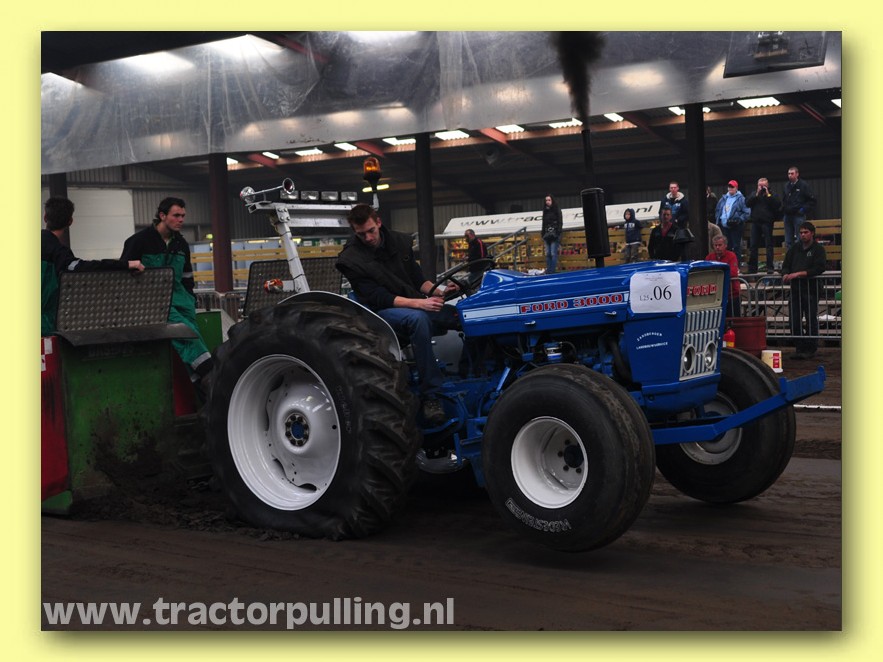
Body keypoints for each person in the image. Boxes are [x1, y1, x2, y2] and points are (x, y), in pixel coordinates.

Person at [336, 203, 459, 424]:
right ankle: (432, 395)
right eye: (361, 234)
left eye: (371, 231)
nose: (368, 238)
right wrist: (420, 304)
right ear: (355, 232)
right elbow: (379, 297)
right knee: (418, 320)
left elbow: (418, 280)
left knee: (460, 314)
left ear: (378, 223)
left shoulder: (399, 243)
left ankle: (475, 369)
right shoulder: (351, 260)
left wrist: (441, 291)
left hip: (411, 303)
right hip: (380, 313)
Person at [120, 197, 212, 391]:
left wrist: (190, 299)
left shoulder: (181, 244)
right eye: (176, 215)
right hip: (152, 302)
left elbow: (187, 277)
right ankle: (210, 373)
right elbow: (122, 274)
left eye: (183, 216)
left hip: (182, 301)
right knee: (186, 334)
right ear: (162, 216)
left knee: (191, 338)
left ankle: (199, 387)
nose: (181, 220)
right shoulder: (139, 241)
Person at [41, 196, 144, 336]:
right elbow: (86, 268)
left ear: (45, 217)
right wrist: (126, 264)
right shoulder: (60, 253)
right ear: (70, 222)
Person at [781, 221, 827, 359]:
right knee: (794, 319)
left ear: (812, 233)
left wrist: (799, 274)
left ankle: (810, 347)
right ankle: (799, 347)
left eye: (806, 232)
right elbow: (786, 264)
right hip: (796, 289)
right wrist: (785, 273)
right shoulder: (794, 248)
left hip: (811, 289)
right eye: (801, 232)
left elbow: (819, 268)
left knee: (811, 318)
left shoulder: (818, 249)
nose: (803, 235)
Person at [745, 177, 782, 274]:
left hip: (767, 222)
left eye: (763, 186)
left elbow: (777, 205)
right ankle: (752, 268)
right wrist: (757, 194)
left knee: (769, 245)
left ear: (767, 185)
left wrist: (768, 195)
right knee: (753, 245)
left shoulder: (772, 194)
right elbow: (747, 203)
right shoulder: (754, 194)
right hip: (755, 222)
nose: (761, 188)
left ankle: (770, 267)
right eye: (760, 186)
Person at [715, 180, 750, 265]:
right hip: (724, 226)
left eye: (732, 187)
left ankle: (736, 266)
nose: (730, 188)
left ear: (736, 188)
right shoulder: (723, 198)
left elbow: (747, 212)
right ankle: (727, 265)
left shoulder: (741, 199)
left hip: (736, 227)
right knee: (726, 247)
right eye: (729, 186)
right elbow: (717, 210)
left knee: (736, 246)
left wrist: (739, 220)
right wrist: (718, 219)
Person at [705, 235, 741, 317]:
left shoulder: (731, 255)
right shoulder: (709, 257)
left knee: (734, 318)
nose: (717, 247)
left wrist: (715, 274)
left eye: (720, 245)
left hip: (732, 294)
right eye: (715, 245)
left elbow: (733, 273)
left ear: (725, 245)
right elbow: (706, 273)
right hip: (715, 296)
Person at [782, 166, 817, 249]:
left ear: (797, 174)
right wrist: (784, 209)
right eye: (789, 174)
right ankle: (790, 256)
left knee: (800, 237)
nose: (790, 175)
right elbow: (784, 199)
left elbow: (812, 200)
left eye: (792, 173)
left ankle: (800, 255)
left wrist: (803, 210)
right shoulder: (786, 186)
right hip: (788, 215)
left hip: (798, 215)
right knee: (788, 240)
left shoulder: (803, 185)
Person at [541, 194, 563, 273]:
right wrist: (542, 233)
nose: (547, 202)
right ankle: (549, 270)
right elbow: (543, 223)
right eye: (546, 200)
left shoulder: (557, 209)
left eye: (549, 200)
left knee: (553, 253)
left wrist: (558, 232)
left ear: (552, 201)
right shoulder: (545, 211)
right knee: (548, 254)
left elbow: (560, 222)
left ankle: (552, 271)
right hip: (547, 234)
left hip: (554, 234)